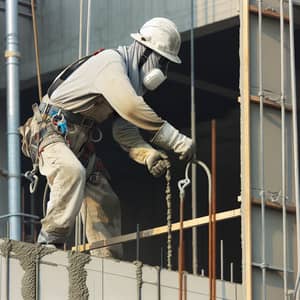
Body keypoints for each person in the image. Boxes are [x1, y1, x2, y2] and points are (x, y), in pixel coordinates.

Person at [19, 17, 194, 258]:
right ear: (143, 51)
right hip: (48, 129)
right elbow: (132, 108)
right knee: (71, 172)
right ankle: (49, 243)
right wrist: (176, 140)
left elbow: (124, 129)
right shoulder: (112, 64)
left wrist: (148, 154)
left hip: (76, 141)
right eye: (161, 61)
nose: (161, 70)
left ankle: (107, 260)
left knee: (105, 199)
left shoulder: (129, 81)